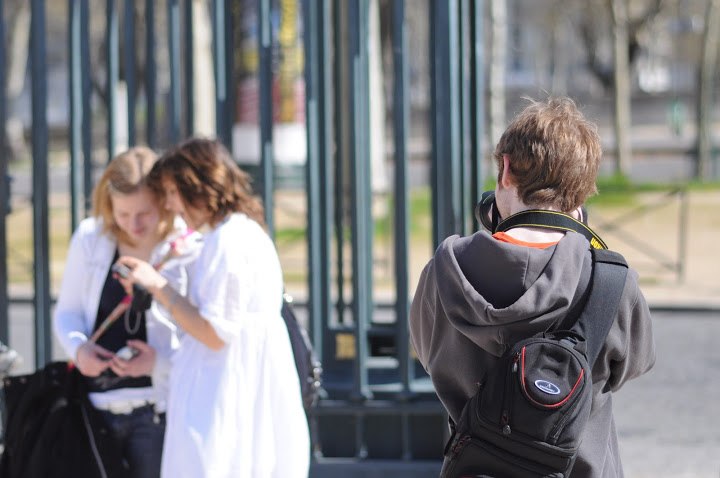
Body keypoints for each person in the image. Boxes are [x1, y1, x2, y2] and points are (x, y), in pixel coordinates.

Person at [409, 97, 655, 477]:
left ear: (506, 169)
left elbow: (428, 357)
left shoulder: (443, 273)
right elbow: (634, 365)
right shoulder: (611, 283)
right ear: (584, 190)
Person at [115, 138, 310, 478]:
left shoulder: (228, 241)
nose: (172, 205)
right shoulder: (240, 233)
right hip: (234, 392)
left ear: (197, 186)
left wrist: (158, 286)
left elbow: (216, 332)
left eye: (174, 192)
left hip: (225, 399)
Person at [53, 146, 197, 478]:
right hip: (96, 408)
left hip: (161, 409)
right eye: (123, 214)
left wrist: (157, 363)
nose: (134, 224)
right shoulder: (91, 237)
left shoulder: (187, 246)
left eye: (145, 212)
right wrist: (79, 348)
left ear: (165, 201)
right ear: (109, 205)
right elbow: (67, 313)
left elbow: (204, 336)